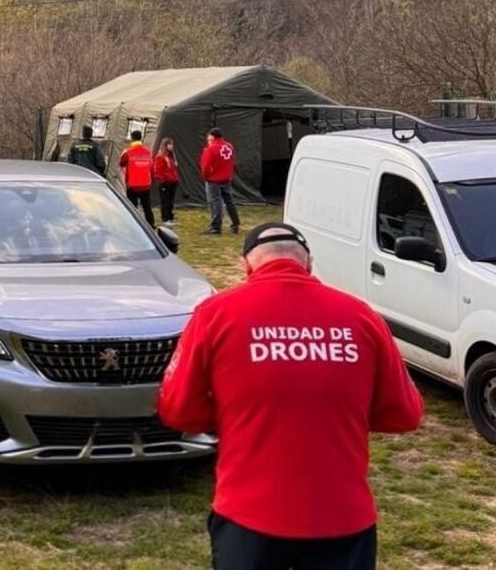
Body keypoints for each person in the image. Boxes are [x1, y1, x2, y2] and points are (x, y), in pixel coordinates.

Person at [157, 223, 424, 570]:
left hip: (249, 516)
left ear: (247, 267)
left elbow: (177, 409)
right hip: (342, 517)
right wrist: (339, 411)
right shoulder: (362, 317)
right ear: (309, 264)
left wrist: (235, 413)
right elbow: (405, 413)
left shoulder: (216, 315)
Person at [201, 127, 240, 234]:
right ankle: (235, 223)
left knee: (216, 202)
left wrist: (206, 177)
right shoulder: (229, 146)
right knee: (229, 201)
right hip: (226, 179)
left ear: (212, 136)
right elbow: (233, 161)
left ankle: (216, 227)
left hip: (214, 180)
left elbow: (205, 166)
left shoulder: (211, 148)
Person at [118, 130, 155, 227]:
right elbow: (151, 167)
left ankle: (134, 226)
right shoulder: (148, 152)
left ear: (131, 138)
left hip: (132, 185)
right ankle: (151, 225)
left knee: (132, 207)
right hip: (146, 184)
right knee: (147, 206)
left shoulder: (127, 152)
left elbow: (121, 163)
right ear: (141, 138)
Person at [153, 136, 180, 227]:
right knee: (165, 201)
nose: (171, 146)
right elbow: (157, 171)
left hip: (173, 182)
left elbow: (173, 170)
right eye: (169, 144)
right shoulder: (160, 157)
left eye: (172, 144)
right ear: (165, 145)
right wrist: (163, 181)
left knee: (170, 201)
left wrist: (175, 178)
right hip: (165, 183)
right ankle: (165, 218)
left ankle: (170, 217)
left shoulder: (171, 157)